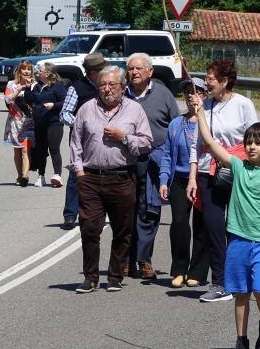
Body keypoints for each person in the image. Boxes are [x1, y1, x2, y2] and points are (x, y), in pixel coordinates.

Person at [193, 110, 260, 349]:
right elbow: (210, 142)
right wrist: (200, 112)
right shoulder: (238, 168)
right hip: (238, 241)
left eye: (258, 143)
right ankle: (241, 340)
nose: (251, 147)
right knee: (241, 293)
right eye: (248, 142)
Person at [70, 66, 153, 293]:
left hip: (122, 177)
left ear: (123, 87)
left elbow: (147, 142)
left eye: (112, 85)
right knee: (89, 228)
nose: (107, 90)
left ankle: (115, 276)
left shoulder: (135, 110)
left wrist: (124, 138)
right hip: (91, 178)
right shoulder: (87, 109)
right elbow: (75, 142)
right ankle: (91, 277)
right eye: (103, 85)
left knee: (122, 229)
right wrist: (79, 172)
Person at [187, 59, 258, 303]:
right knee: (213, 227)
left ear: (225, 81)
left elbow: (255, 140)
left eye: (210, 79)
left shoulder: (243, 105)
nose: (206, 83)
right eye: (206, 78)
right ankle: (219, 282)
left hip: (237, 173)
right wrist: (193, 177)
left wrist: (253, 172)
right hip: (208, 174)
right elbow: (196, 144)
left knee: (237, 229)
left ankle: (244, 276)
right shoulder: (203, 106)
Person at [124, 53, 180, 280]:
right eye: (130, 69)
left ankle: (144, 259)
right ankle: (126, 260)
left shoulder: (163, 94)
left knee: (148, 210)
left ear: (150, 72)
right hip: (125, 160)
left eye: (138, 68)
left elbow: (176, 123)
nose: (134, 72)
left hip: (154, 161)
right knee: (126, 210)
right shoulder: (121, 94)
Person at [158, 77, 209, 289]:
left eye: (196, 91)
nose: (191, 95)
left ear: (205, 96)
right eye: (187, 91)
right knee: (179, 222)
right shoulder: (176, 123)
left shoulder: (211, 122)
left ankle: (197, 271)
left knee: (202, 225)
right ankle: (179, 269)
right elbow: (167, 155)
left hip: (204, 177)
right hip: (179, 180)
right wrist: (163, 180)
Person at [59, 53, 108, 229]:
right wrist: (82, 125)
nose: (105, 72)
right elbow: (64, 114)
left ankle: (96, 212)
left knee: (102, 175)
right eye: (101, 70)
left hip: (104, 140)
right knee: (75, 176)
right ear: (92, 72)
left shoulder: (107, 87)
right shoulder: (76, 88)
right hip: (80, 140)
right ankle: (70, 215)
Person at [25, 62, 68, 188]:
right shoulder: (37, 86)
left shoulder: (57, 86)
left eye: (41, 70)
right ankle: (41, 176)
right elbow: (30, 100)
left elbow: (65, 102)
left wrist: (53, 105)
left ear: (47, 73)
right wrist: (28, 88)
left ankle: (57, 175)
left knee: (54, 149)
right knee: (41, 150)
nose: (38, 72)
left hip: (54, 123)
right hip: (39, 123)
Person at [3, 61, 34, 187]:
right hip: (15, 120)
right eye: (24, 69)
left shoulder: (34, 85)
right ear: (19, 71)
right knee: (17, 150)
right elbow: (7, 100)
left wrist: (29, 88)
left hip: (28, 121)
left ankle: (25, 175)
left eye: (29, 69)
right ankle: (19, 175)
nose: (26, 71)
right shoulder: (11, 84)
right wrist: (19, 89)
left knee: (26, 150)